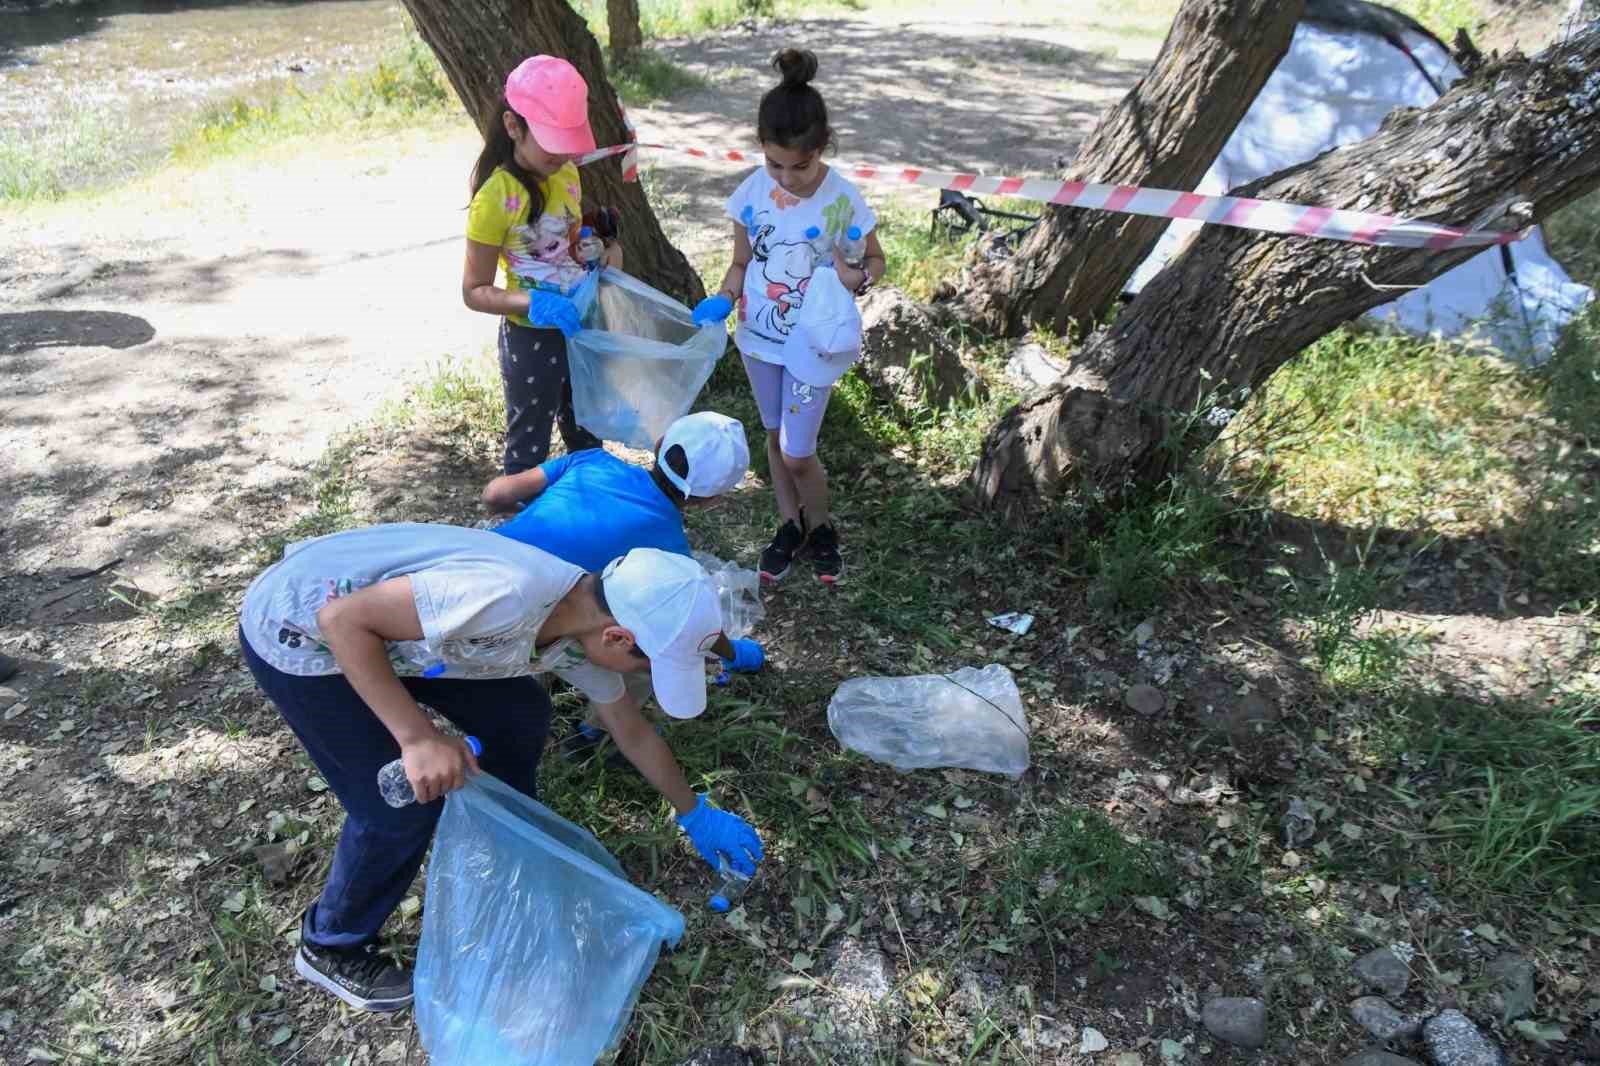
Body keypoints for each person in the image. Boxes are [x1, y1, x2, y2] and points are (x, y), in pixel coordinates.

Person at [239, 526, 762, 1012]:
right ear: (619, 638)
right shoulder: (506, 597)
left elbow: (631, 730)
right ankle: (332, 943)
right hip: (306, 633)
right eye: (647, 664)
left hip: (401, 637)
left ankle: (509, 833)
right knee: (399, 808)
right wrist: (417, 737)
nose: (643, 675)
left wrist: (694, 812)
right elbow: (342, 621)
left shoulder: (579, 628)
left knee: (519, 712)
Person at [692, 48, 887, 586]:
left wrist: (859, 278)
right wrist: (725, 299)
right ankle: (788, 524)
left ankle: (822, 525)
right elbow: (740, 261)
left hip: (811, 347)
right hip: (757, 339)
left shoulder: (842, 199)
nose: (786, 177)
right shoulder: (751, 192)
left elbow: (874, 260)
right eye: (774, 163)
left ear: (821, 149)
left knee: (799, 451)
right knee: (775, 437)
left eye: (798, 166)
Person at [482, 411, 766, 758]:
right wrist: (733, 653)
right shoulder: (670, 551)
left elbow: (495, 495)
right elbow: (691, 628)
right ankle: (594, 732)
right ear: (712, 500)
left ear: (660, 444)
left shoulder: (591, 461)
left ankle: (538, 680)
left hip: (482, 583)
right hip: (531, 626)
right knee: (654, 642)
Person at [462, 55, 621, 477]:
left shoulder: (567, 172)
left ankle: (588, 513)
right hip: (531, 341)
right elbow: (474, 290)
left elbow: (570, 239)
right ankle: (518, 533)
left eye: (570, 140)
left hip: (581, 329)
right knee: (528, 447)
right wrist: (530, 302)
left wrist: (593, 248)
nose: (564, 153)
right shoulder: (495, 199)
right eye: (553, 140)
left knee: (587, 433)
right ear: (514, 127)